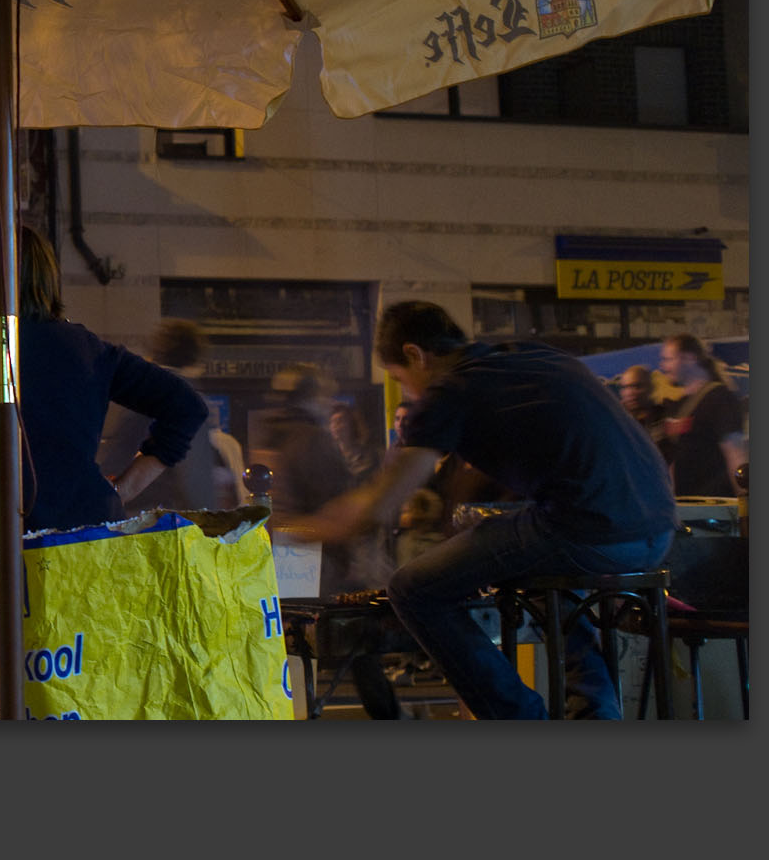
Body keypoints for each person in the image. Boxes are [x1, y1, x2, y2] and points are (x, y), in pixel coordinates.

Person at [0, 225, 208, 709]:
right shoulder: (86, 347)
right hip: (86, 561)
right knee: (81, 704)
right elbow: (186, 406)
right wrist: (123, 488)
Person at [283, 301, 678, 719]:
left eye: (401, 379)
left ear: (415, 355)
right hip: (658, 529)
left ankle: (517, 717)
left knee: (413, 589)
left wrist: (293, 528)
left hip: (590, 529)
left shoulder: (450, 390)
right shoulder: (532, 356)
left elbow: (377, 506)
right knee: (545, 582)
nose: (408, 394)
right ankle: (597, 712)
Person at [254, 365, 399, 718]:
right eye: (325, 395)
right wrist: (350, 554)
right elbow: (336, 502)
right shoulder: (311, 438)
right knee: (357, 640)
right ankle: (386, 714)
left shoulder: (272, 436)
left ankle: (297, 711)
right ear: (312, 398)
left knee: (295, 644)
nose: (330, 402)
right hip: (319, 555)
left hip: (287, 552)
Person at [98, 318, 231, 511]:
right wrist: (211, 526)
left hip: (118, 514)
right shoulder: (187, 401)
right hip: (159, 523)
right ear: (196, 360)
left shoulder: (136, 393)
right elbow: (195, 480)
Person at [657, 334, 746, 497]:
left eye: (668, 359)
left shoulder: (720, 398)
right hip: (685, 509)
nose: (663, 366)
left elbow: (735, 454)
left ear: (690, 358)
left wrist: (745, 505)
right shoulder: (678, 405)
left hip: (715, 508)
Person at [616, 364, 672, 455]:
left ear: (651, 388)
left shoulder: (667, 416)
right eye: (625, 387)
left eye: (637, 386)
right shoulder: (619, 422)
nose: (630, 392)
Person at [329, 401, 380, 487]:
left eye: (340, 420)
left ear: (352, 425)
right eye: (333, 421)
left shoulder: (368, 457)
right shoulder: (330, 457)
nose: (335, 425)